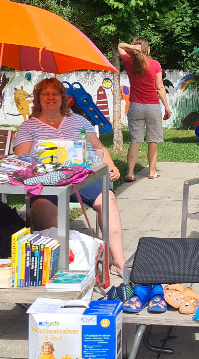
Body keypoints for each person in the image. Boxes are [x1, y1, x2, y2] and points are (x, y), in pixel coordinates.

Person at [12, 77, 125, 273]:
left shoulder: (79, 120)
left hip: (83, 178)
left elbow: (98, 148)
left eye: (55, 93)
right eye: (45, 94)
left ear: (63, 98)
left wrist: (111, 164)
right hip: (46, 182)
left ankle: (119, 262)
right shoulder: (28, 127)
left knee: (108, 201)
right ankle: (61, 264)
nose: (50, 97)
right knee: (41, 206)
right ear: (37, 99)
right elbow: (21, 159)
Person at [118, 37, 172, 181]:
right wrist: (166, 107)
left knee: (135, 140)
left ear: (136, 48)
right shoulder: (155, 64)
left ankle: (130, 173)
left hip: (135, 106)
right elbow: (160, 87)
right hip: (153, 106)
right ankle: (152, 172)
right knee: (152, 141)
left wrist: (131, 46)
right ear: (147, 49)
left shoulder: (129, 62)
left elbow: (119, 46)